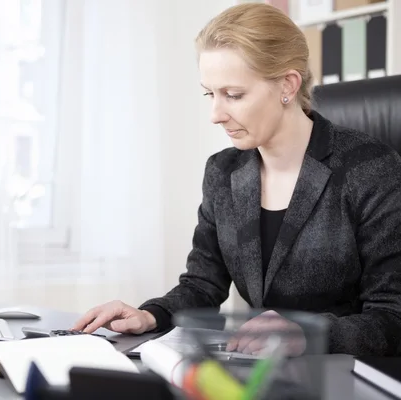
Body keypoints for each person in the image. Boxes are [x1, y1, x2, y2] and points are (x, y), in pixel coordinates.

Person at [72, 3, 401, 357]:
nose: (215, 114)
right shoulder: (223, 172)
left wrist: (309, 334)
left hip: (351, 375)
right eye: (209, 94)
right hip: (264, 372)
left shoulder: (370, 169)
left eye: (233, 95)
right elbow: (202, 285)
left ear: (287, 85)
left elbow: (392, 316)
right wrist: (150, 314)